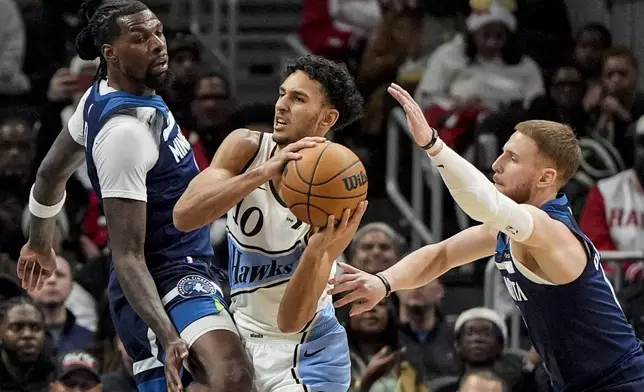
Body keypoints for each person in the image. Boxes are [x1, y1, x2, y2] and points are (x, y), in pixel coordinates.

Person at [330, 83, 644, 391]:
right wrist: (384, 282)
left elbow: (484, 204)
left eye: (513, 159)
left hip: (622, 380)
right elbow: (443, 255)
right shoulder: (508, 227)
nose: (496, 164)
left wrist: (433, 145)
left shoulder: (548, 229)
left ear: (546, 177)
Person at [16, 1, 252, 391]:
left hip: (185, 269)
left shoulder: (102, 95)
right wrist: (166, 332)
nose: (158, 43)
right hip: (163, 282)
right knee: (233, 377)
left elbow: (49, 173)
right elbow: (126, 255)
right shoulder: (123, 133)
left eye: (158, 32)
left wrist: (40, 244)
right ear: (110, 53)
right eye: (140, 38)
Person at [173, 54, 366, 392]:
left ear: (327, 117)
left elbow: (291, 320)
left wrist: (320, 247)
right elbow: (184, 217)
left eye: (298, 98)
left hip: (307, 350)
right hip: (241, 333)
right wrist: (261, 173)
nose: (282, 106)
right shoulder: (245, 147)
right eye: (282, 93)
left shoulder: (341, 189)